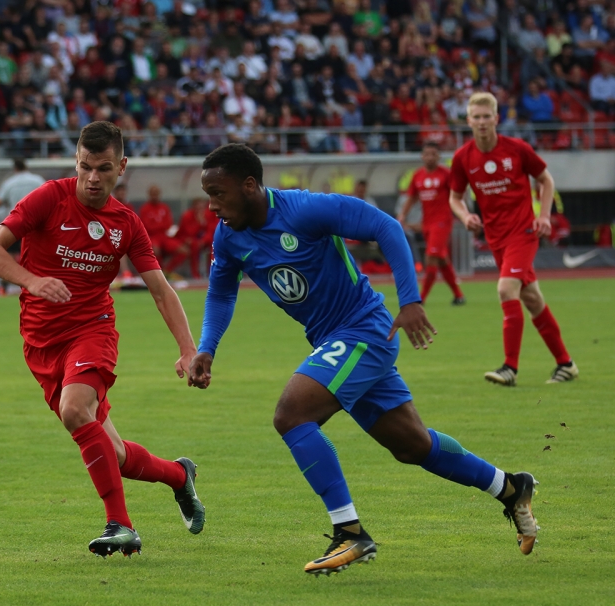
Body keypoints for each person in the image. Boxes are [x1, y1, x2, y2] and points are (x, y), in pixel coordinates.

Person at [189, 143, 540, 576]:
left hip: (365, 330)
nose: (212, 206)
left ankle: (349, 531)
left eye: (218, 193)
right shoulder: (228, 236)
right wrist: (207, 346)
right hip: (333, 340)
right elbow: (221, 292)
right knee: (413, 445)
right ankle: (510, 488)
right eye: (208, 195)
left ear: (248, 186)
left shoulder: (305, 210)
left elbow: (384, 226)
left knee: (292, 415)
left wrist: (409, 300)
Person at [0, 121, 205, 557]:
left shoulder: (126, 224)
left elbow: (161, 290)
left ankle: (121, 525)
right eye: (85, 167)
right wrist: (32, 280)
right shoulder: (49, 198)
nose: (93, 178)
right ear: (75, 162)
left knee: (75, 409)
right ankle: (180, 476)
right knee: (113, 454)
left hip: (92, 329)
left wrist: (188, 349)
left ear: (122, 166)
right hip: (42, 342)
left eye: (103, 168)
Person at [448, 92, 578, 386]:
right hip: (496, 239)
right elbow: (454, 198)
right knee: (532, 299)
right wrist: (465, 216)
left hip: (523, 232)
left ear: (497, 118)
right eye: (477, 117)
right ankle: (566, 364)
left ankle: (510, 368)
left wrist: (544, 216)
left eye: (487, 116)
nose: (482, 122)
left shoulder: (517, 149)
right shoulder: (463, 157)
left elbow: (545, 180)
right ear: (468, 121)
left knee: (506, 289)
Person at [398, 142, 465, 305]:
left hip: (442, 222)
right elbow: (412, 198)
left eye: (433, 154)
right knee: (441, 259)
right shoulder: (418, 175)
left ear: (439, 156)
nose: (430, 157)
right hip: (427, 223)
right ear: (422, 156)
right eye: (427, 154)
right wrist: (402, 215)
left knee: (431, 257)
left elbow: (457, 196)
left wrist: (464, 214)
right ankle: (458, 296)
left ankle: (421, 298)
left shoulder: (446, 174)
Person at [164, 197, 215, 278]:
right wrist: (200, 222)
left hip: (199, 240)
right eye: (198, 207)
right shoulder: (187, 215)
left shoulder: (206, 215)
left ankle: (211, 272)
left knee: (213, 245)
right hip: (184, 238)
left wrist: (203, 240)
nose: (201, 209)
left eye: (202, 207)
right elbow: (189, 232)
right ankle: (194, 273)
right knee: (193, 246)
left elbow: (209, 231)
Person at [137, 184, 179, 267]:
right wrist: (160, 226)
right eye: (153, 193)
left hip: (164, 236)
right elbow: (146, 226)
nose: (155, 195)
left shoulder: (165, 207)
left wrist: (157, 226)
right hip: (151, 237)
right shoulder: (144, 209)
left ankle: (168, 270)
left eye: (156, 193)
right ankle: (160, 270)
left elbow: (169, 224)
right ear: (149, 194)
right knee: (155, 250)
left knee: (183, 250)